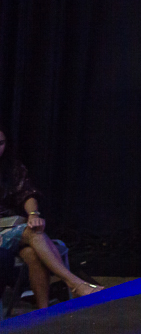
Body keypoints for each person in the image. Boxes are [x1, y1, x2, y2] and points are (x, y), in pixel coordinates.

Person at [0, 125, 100, 306]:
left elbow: (27, 193)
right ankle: (75, 284)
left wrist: (33, 213)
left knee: (33, 251)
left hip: (10, 228)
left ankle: (43, 312)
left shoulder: (11, 167)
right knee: (33, 234)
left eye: (0, 143)